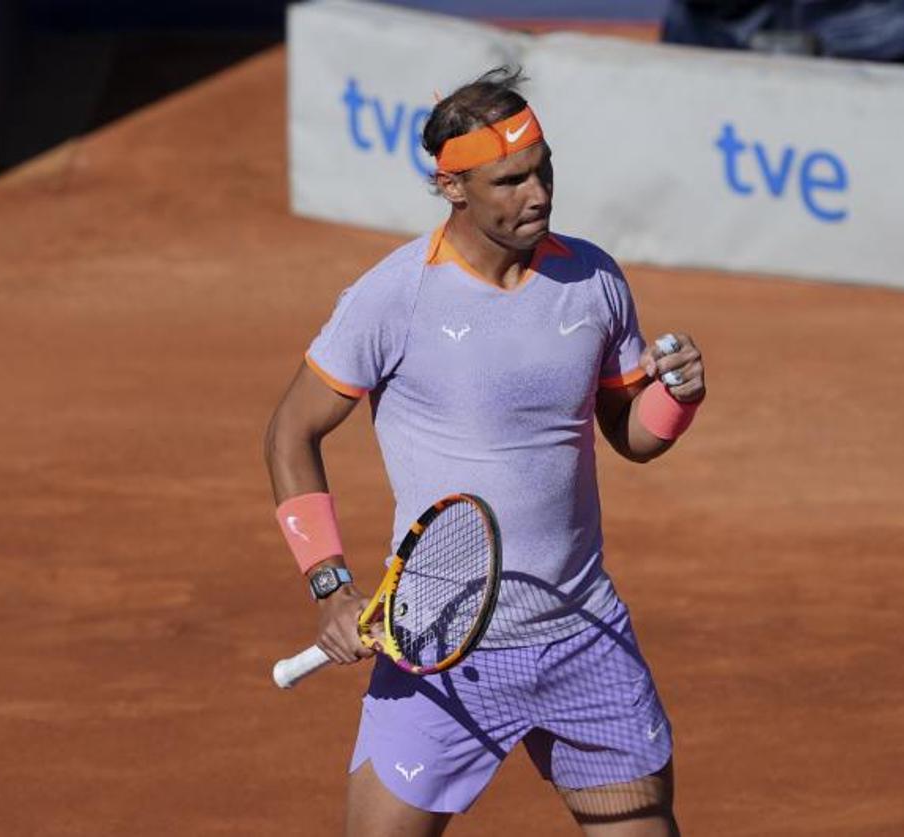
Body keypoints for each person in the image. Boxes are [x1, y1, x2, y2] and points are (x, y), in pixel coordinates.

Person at [265, 67, 706, 836]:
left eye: (542, 170)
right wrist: (331, 585)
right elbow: (290, 432)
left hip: (580, 634)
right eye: (509, 181)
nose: (537, 194)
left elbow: (628, 436)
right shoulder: (394, 296)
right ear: (453, 187)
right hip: (441, 651)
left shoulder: (593, 279)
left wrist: (678, 398)